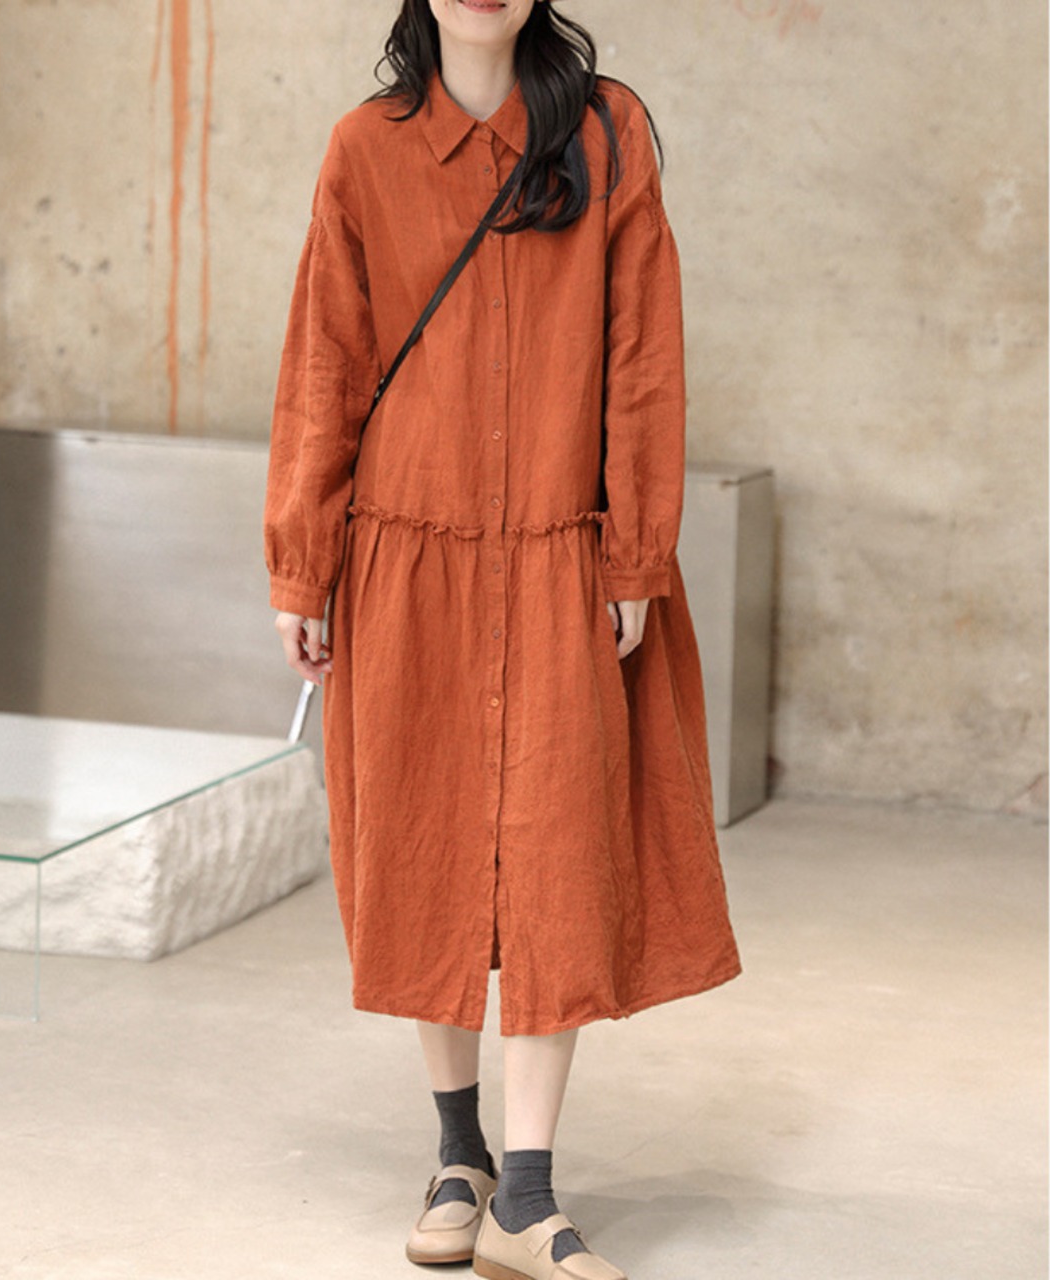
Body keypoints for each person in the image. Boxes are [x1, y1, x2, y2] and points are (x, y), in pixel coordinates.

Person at [264, 2, 741, 1276]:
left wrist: (634, 548)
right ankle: (456, 1150)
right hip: (402, 554)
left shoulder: (605, 130)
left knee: (553, 853)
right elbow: (324, 361)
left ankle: (525, 1192)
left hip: (558, 552)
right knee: (418, 842)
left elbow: (642, 353)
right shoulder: (364, 148)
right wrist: (301, 561)